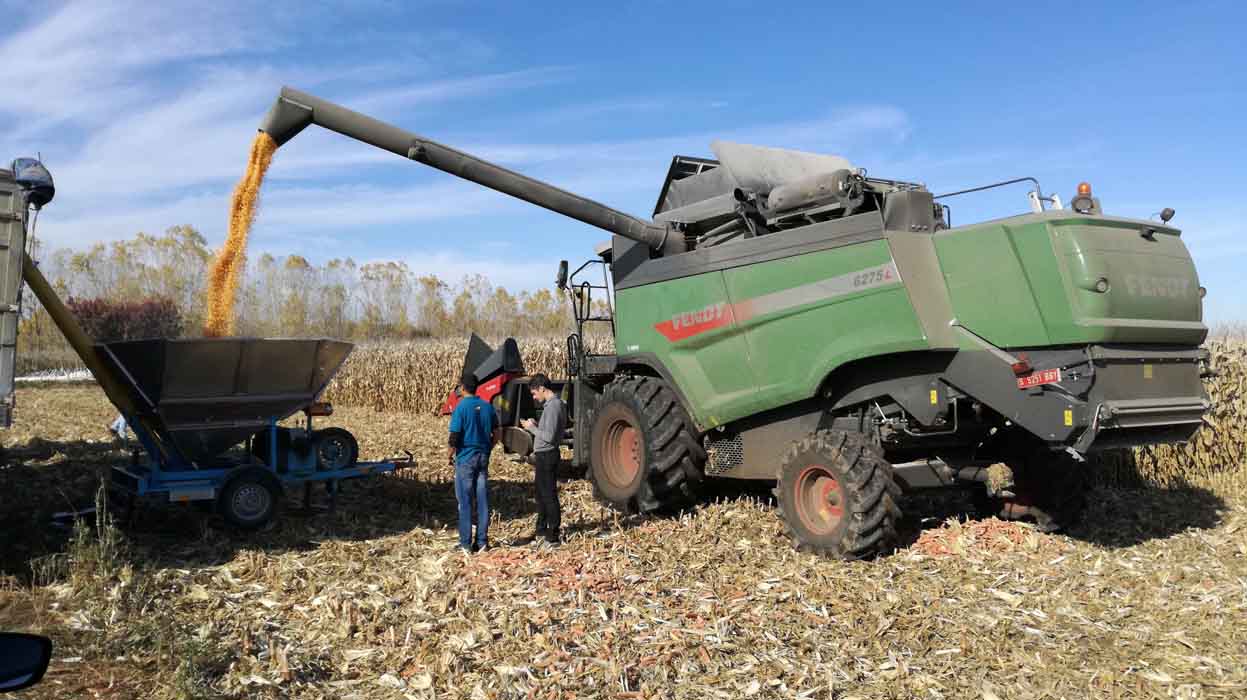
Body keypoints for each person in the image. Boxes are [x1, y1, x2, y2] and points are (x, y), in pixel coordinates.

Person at [448, 374, 499, 553]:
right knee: (483, 500)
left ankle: (466, 544)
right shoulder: (487, 407)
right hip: (483, 457)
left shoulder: (460, 408)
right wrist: (488, 448)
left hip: (466, 458)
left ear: (462, 387)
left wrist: (449, 455)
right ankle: (483, 542)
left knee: (465, 502)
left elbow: (454, 436)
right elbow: (497, 433)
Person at [521, 374, 567, 545]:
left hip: (547, 456)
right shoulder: (552, 406)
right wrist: (537, 425)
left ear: (542, 388)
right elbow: (549, 431)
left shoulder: (554, 406)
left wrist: (532, 428)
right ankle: (541, 531)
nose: (534, 397)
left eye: (534, 393)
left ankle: (553, 535)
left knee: (549, 496)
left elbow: (548, 436)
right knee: (541, 495)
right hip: (543, 455)